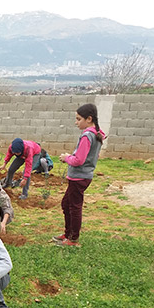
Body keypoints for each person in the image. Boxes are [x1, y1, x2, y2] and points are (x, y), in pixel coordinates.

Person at [53, 103, 105, 247]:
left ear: (89, 119)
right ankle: (68, 233)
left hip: (79, 177)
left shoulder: (87, 136)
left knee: (74, 207)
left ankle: (73, 239)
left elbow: (79, 160)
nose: (76, 122)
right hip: (82, 176)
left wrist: (66, 158)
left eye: (78, 119)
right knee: (66, 204)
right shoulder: (96, 134)